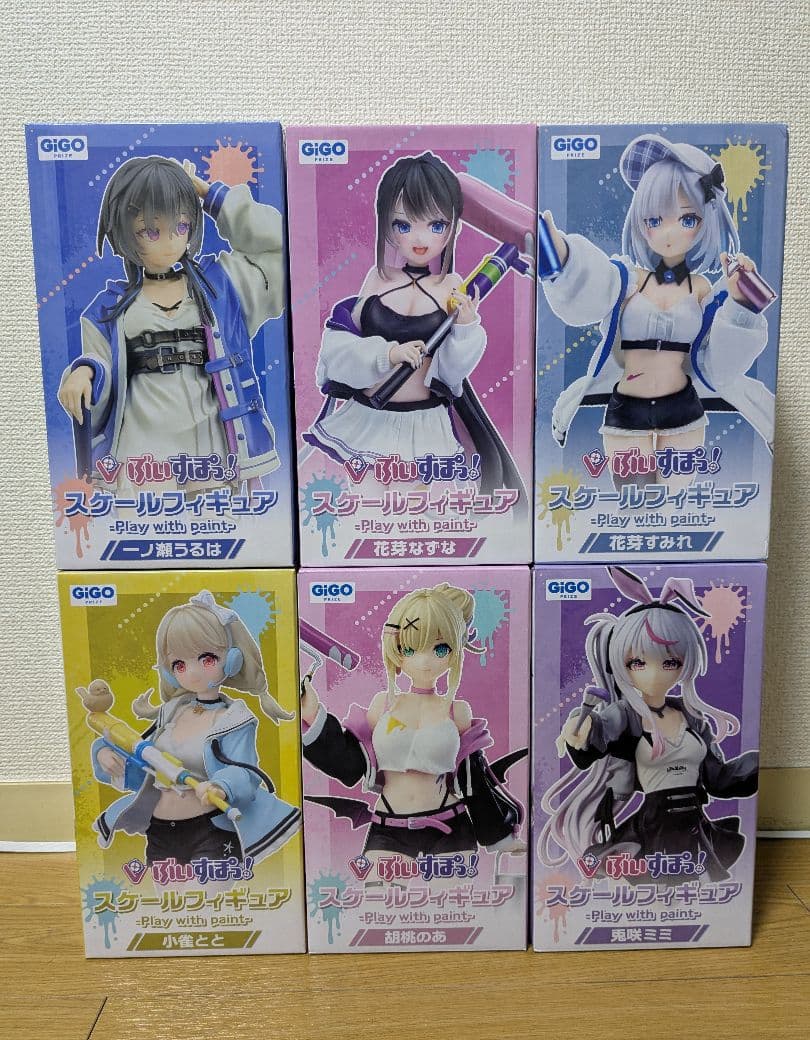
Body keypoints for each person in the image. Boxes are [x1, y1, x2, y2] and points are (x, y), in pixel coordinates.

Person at [541, 133, 774, 486]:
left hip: (683, 407)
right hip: (627, 407)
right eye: (653, 220)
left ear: (707, 220)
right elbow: (592, 285)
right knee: (633, 499)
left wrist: (742, 304)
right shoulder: (627, 279)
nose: (668, 232)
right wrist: (563, 259)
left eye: (687, 219)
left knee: (676, 501)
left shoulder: (702, 289)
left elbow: (720, 364)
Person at [302, 151, 524, 497]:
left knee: (412, 506)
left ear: (453, 226)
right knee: (365, 501)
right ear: (386, 225)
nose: (420, 240)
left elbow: (452, 373)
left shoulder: (452, 286)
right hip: (369, 416)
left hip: (423, 422)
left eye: (436, 226)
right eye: (404, 225)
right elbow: (340, 346)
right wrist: (388, 354)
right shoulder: (377, 278)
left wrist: (466, 327)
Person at [57, 155, 285, 489]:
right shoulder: (108, 309)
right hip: (143, 457)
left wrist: (211, 196)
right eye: (150, 231)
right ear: (125, 230)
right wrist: (84, 372)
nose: (169, 242)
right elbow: (100, 361)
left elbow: (285, 246)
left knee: (221, 519)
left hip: (212, 448)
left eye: (180, 227)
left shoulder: (224, 285)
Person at [538, 566, 758, 882]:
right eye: (638, 662)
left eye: (670, 662)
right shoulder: (625, 714)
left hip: (695, 823)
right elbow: (596, 735)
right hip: (656, 822)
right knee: (658, 883)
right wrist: (581, 728)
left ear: (685, 662)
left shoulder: (693, 716)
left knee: (696, 883)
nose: (654, 673)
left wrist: (755, 765)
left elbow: (718, 778)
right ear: (621, 663)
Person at [300, 583, 525, 861]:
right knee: (378, 887)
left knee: (453, 891)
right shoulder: (383, 705)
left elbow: (473, 779)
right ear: (395, 647)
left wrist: (500, 837)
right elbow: (350, 763)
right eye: (409, 649)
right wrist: (313, 715)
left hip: (451, 826)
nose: (424, 661)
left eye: (440, 649)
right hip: (389, 825)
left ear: (456, 648)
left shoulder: (456, 711)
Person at [88, 590, 301, 866]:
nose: (192, 672)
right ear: (169, 671)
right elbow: (143, 760)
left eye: (207, 659)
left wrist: (221, 786)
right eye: (179, 664)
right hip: (160, 829)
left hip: (210, 828)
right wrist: (105, 753)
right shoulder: (171, 713)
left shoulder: (234, 720)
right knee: (169, 894)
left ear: (232, 659)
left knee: (209, 892)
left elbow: (245, 772)